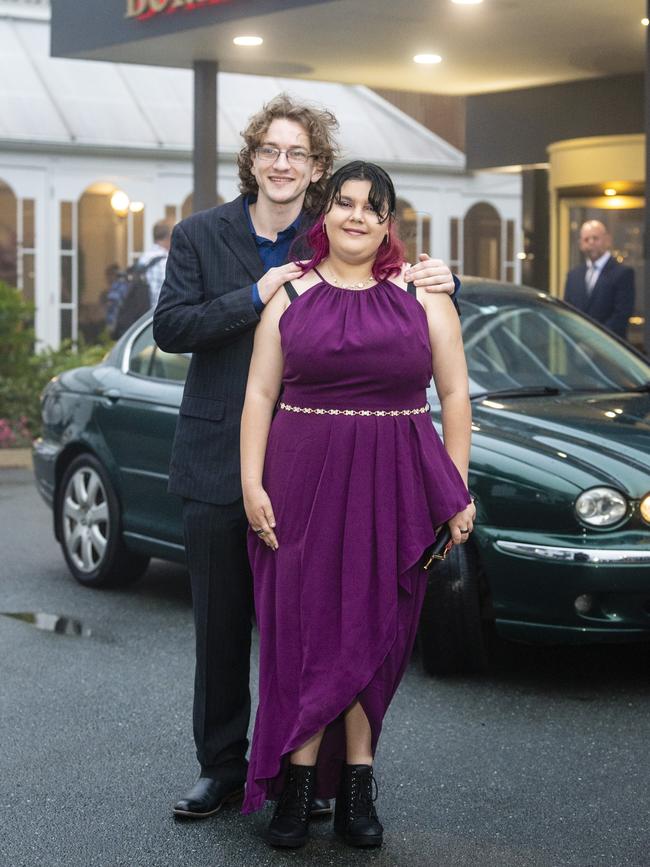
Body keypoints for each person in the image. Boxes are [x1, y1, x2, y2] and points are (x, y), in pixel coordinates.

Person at [153, 94, 460, 823]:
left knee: (312, 629)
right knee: (222, 628)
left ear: (315, 167)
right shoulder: (201, 234)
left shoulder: (331, 238)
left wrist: (446, 279)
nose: (283, 163)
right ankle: (222, 767)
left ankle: (304, 773)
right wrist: (253, 293)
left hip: (314, 467)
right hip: (216, 457)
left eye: (298, 153)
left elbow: (400, 313)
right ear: (252, 158)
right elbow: (170, 326)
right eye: (271, 150)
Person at [240, 160, 475, 848]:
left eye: (371, 208)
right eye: (343, 203)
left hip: (394, 485)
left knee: (375, 632)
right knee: (304, 633)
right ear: (326, 214)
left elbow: (456, 396)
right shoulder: (291, 293)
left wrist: (455, 489)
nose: (355, 216)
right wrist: (251, 483)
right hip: (298, 484)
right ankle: (298, 782)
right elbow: (258, 395)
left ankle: (358, 791)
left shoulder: (424, 295)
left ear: (388, 223)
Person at [563, 220, 635, 339]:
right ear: (581, 244)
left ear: (607, 240)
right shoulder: (573, 276)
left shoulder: (623, 273)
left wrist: (594, 341)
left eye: (595, 238)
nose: (591, 243)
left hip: (610, 348)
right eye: (586, 239)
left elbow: (621, 315)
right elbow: (567, 313)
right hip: (578, 349)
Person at [140, 219, 173, 308]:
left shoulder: (145, 257)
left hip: (143, 318)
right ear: (169, 237)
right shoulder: (165, 262)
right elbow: (163, 300)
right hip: (155, 317)